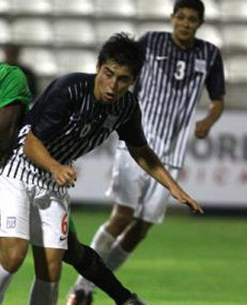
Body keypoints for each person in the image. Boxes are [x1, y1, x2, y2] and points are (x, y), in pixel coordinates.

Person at [0, 37, 148, 305]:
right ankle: (125, 299)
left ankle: (124, 298)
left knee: (67, 252)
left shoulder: (8, 79)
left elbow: (5, 139)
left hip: (21, 172)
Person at [0, 32, 203, 305]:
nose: (112, 85)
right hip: (18, 168)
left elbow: (141, 151)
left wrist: (174, 188)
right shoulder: (70, 89)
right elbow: (29, 142)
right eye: (108, 74)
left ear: (132, 81)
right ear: (98, 67)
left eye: (122, 79)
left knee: (51, 269)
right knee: (14, 255)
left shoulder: (126, 108)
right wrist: (55, 166)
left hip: (52, 182)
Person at [67, 1, 225, 304]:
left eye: (192, 19)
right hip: (137, 142)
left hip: (173, 153)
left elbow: (217, 98)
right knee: (122, 216)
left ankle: (93, 285)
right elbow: (124, 75)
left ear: (200, 23)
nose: (185, 23)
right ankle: (81, 288)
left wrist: (208, 119)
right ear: (172, 18)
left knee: (141, 229)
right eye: (181, 17)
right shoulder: (150, 42)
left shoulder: (209, 54)